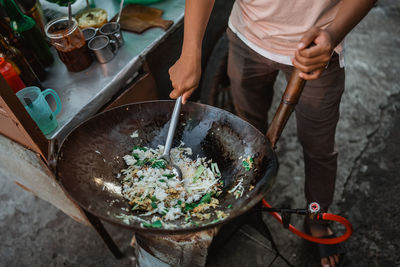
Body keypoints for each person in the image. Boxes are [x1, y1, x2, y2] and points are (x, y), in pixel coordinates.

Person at [168, 1, 375, 266]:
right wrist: (190, 51)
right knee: (247, 134)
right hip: (248, 38)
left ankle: (316, 217)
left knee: (319, 148)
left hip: (318, 50)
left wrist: (333, 34)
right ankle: (247, 199)